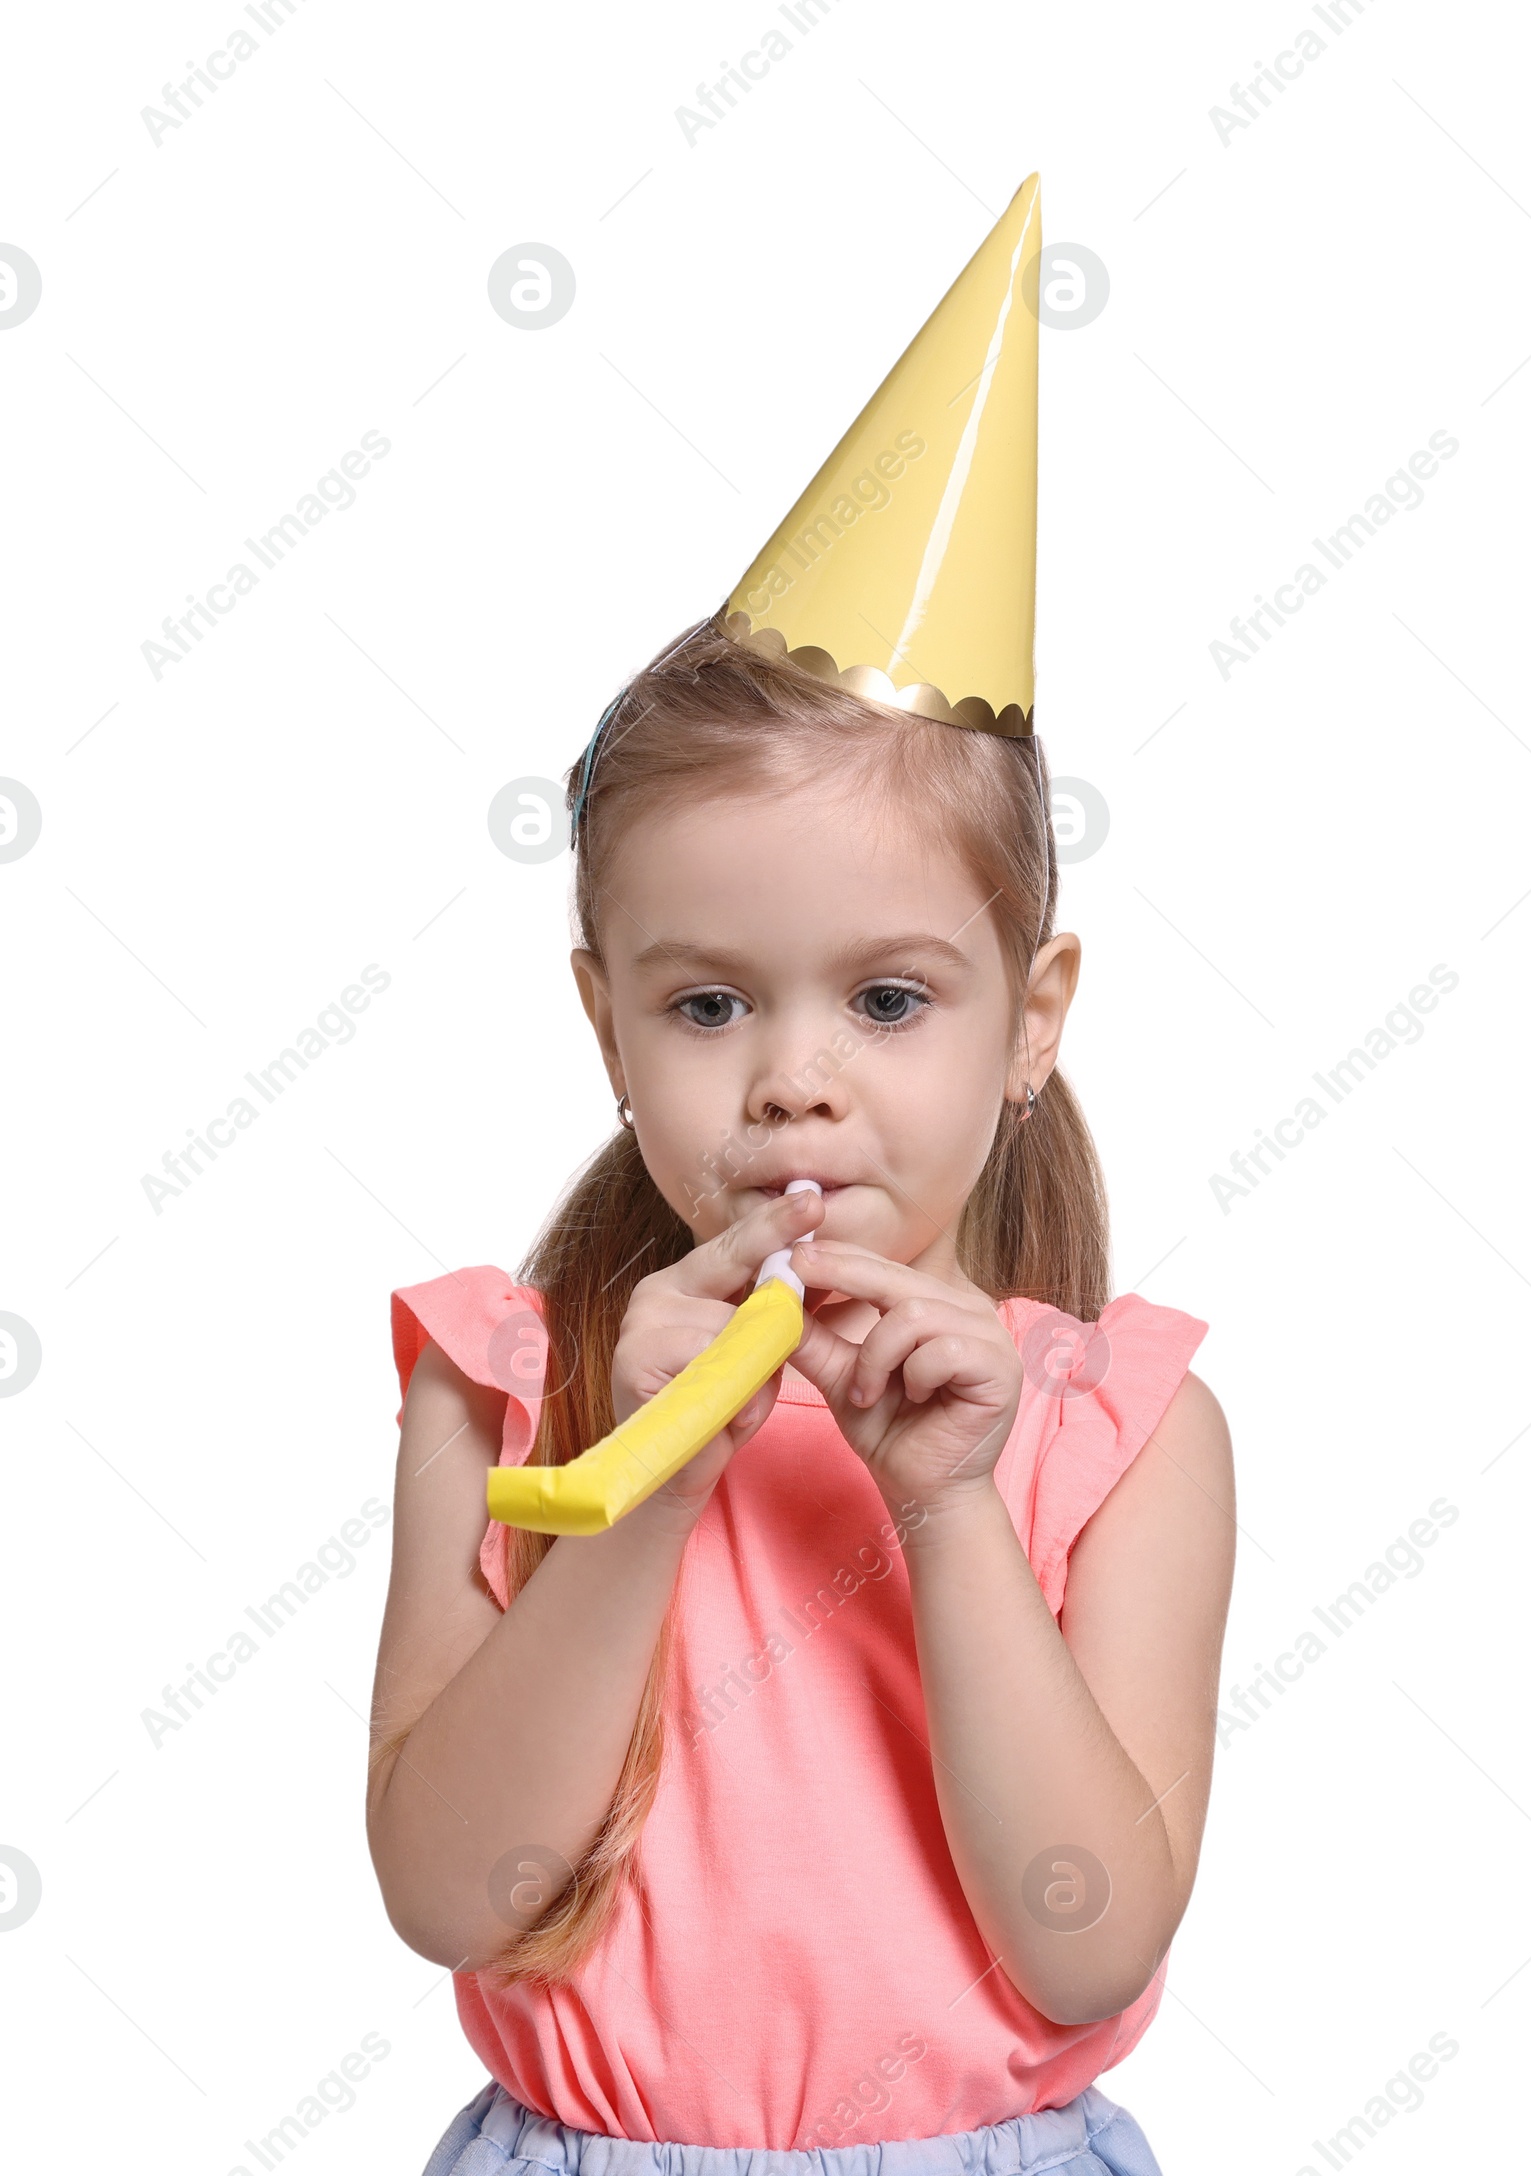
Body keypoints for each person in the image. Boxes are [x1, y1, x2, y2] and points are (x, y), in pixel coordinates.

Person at [368, 175, 1235, 2176]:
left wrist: (944, 1511)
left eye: (886, 997)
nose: (790, 1086)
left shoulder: (1120, 1432)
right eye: (703, 1007)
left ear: (1031, 1018)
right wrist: (647, 1481)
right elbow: (450, 1893)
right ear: (603, 1020)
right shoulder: (500, 1389)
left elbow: (1078, 1936)